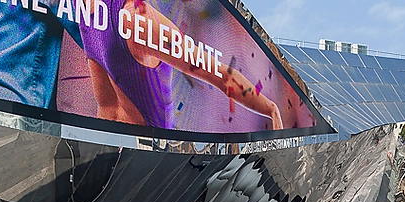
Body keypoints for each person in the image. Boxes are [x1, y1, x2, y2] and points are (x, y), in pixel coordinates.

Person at [80, 0, 283, 130]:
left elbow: (222, 76)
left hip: (132, 158)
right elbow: (222, 76)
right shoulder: (96, 13)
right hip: (122, 158)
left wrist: (271, 109)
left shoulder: (132, 20)